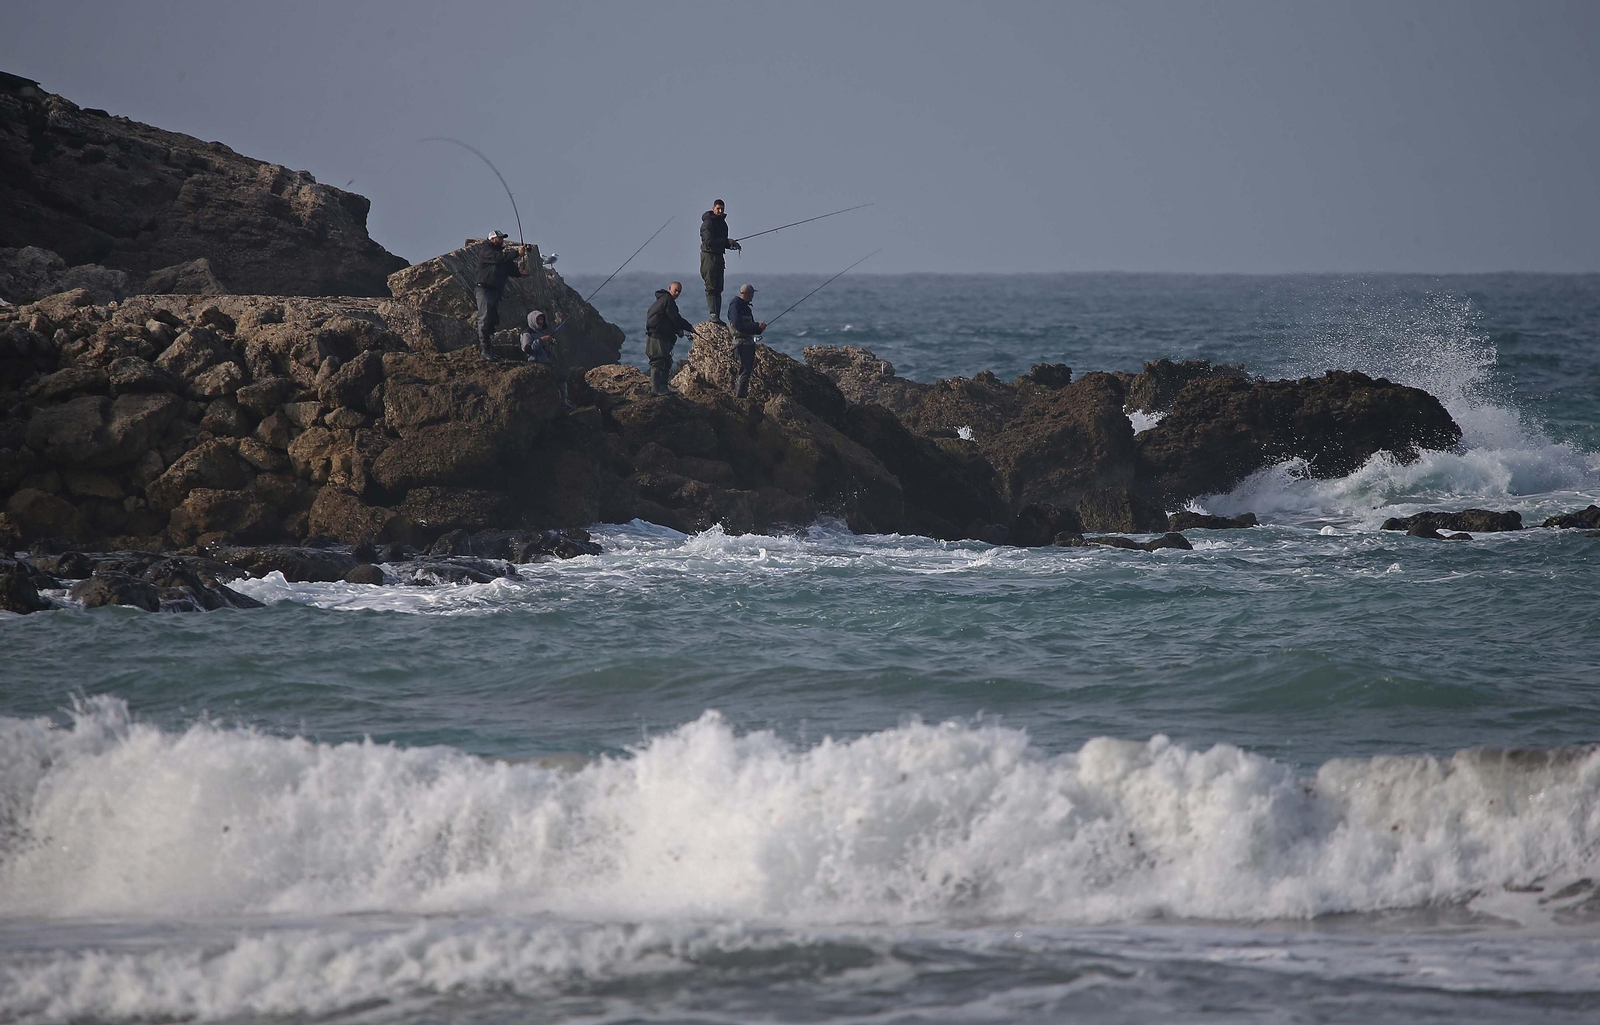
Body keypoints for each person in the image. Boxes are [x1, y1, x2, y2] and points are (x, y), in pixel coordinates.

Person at [473, 230, 528, 359]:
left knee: (492, 320)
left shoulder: (502, 255)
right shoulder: (486, 251)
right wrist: (516, 253)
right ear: (492, 239)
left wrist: (521, 273)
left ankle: (489, 351)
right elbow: (499, 259)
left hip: (495, 291)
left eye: (502, 238)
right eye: (499, 238)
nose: (502, 240)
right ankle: (484, 350)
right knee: (484, 318)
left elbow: (512, 270)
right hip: (484, 289)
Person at [644, 281, 696, 396]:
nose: (677, 293)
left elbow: (668, 320)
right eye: (675, 290)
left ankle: (662, 388)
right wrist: (690, 328)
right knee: (658, 362)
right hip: (657, 337)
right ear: (669, 289)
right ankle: (656, 390)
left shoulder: (662, 300)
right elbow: (676, 319)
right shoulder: (668, 301)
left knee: (665, 362)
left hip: (659, 336)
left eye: (679, 291)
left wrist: (678, 331)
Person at [520, 310, 573, 408]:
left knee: (562, 376)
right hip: (533, 362)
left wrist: (548, 347)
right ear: (532, 320)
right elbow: (527, 349)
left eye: (541, 319)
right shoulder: (527, 334)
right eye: (538, 319)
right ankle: (560, 403)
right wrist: (540, 340)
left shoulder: (541, 332)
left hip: (544, 361)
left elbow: (545, 351)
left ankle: (564, 400)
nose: (540, 321)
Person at [699, 199, 740, 322]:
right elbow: (708, 241)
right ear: (713, 209)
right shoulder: (707, 223)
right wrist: (726, 241)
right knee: (711, 287)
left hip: (719, 257)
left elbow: (721, 242)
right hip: (708, 257)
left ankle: (717, 316)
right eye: (718, 208)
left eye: (722, 209)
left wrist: (732, 244)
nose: (720, 211)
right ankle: (713, 315)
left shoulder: (723, 224)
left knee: (719, 288)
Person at [725, 283, 766, 398]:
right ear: (747, 294)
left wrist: (759, 328)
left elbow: (750, 326)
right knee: (743, 369)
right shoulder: (735, 305)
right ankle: (740, 396)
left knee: (746, 370)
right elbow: (738, 325)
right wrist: (756, 326)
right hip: (741, 343)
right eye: (752, 293)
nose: (753, 296)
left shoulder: (746, 307)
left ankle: (742, 394)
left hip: (748, 342)